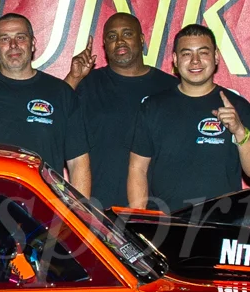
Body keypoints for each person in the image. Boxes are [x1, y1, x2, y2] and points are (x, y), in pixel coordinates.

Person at [0, 13, 91, 192]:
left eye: (20, 37)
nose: (13, 45)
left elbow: (78, 162)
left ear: (33, 44)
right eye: (5, 39)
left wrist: (78, 209)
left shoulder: (61, 92)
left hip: (43, 205)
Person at [127, 24, 250, 211]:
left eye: (203, 53)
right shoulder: (153, 107)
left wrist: (240, 131)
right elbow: (137, 169)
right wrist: (139, 219)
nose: (195, 61)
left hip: (220, 223)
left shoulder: (238, 107)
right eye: (187, 54)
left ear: (216, 56)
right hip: (166, 223)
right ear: (175, 59)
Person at [66, 11, 178, 209]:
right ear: (104, 45)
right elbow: (51, 115)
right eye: (112, 36)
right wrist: (73, 78)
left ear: (141, 39)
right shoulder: (88, 84)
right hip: (100, 208)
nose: (119, 41)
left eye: (127, 34)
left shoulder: (170, 88)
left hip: (158, 209)